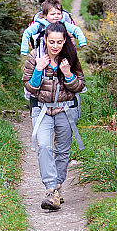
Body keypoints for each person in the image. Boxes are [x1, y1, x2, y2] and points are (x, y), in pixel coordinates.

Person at [22, 21, 85, 210]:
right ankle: (50, 189)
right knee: (44, 146)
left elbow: (80, 86)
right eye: (52, 42)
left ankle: (57, 186)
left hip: (66, 110)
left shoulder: (71, 57)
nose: (55, 46)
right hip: (41, 109)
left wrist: (68, 74)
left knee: (62, 151)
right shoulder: (35, 57)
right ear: (45, 40)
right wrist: (39, 70)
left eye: (59, 42)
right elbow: (30, 88)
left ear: (65, 41)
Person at [20, 0, 87, 56]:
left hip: (61, 51)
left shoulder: (63, 24)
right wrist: (24, 50)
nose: (56, 16)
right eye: (53, 14)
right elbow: (27, 33)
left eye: (59, 14)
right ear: (45, 16)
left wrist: (82, 41)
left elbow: (76, 30)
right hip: (42, 52)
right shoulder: (39, 25)